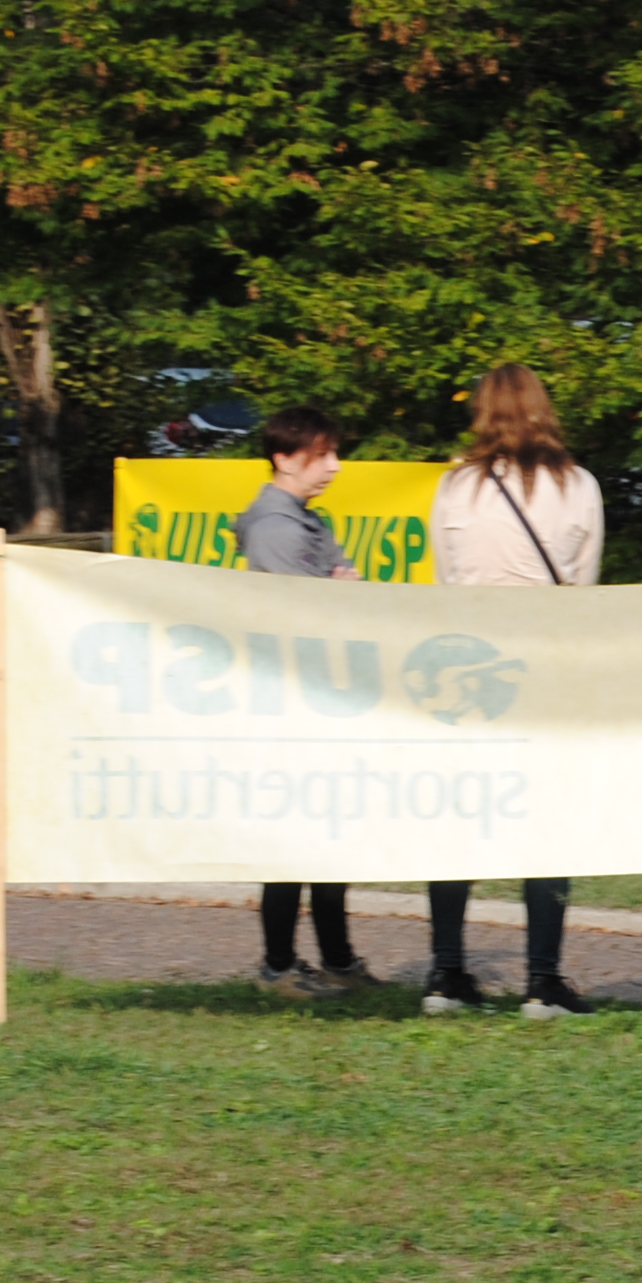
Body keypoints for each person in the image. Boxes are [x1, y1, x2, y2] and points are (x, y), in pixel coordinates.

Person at [424, 363, 602, 1020]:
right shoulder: (578, 486)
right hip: (546, 672)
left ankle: (445, 973)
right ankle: (542, 980)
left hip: (470, 675)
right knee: (548, 827)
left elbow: (446, 584)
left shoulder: (455, 487)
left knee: (458, 824)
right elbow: (583, 590)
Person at [237, 405, 373, 1000]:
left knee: (327, 835)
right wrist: (338, 595)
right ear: (284, 458)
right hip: (294, 705)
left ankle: (336, 959)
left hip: (319, 700)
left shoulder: (304, 521)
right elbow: (307, 617)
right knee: (294, 840)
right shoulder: (277, 529)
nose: (334, 466)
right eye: (322, 455)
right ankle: (278, 967)